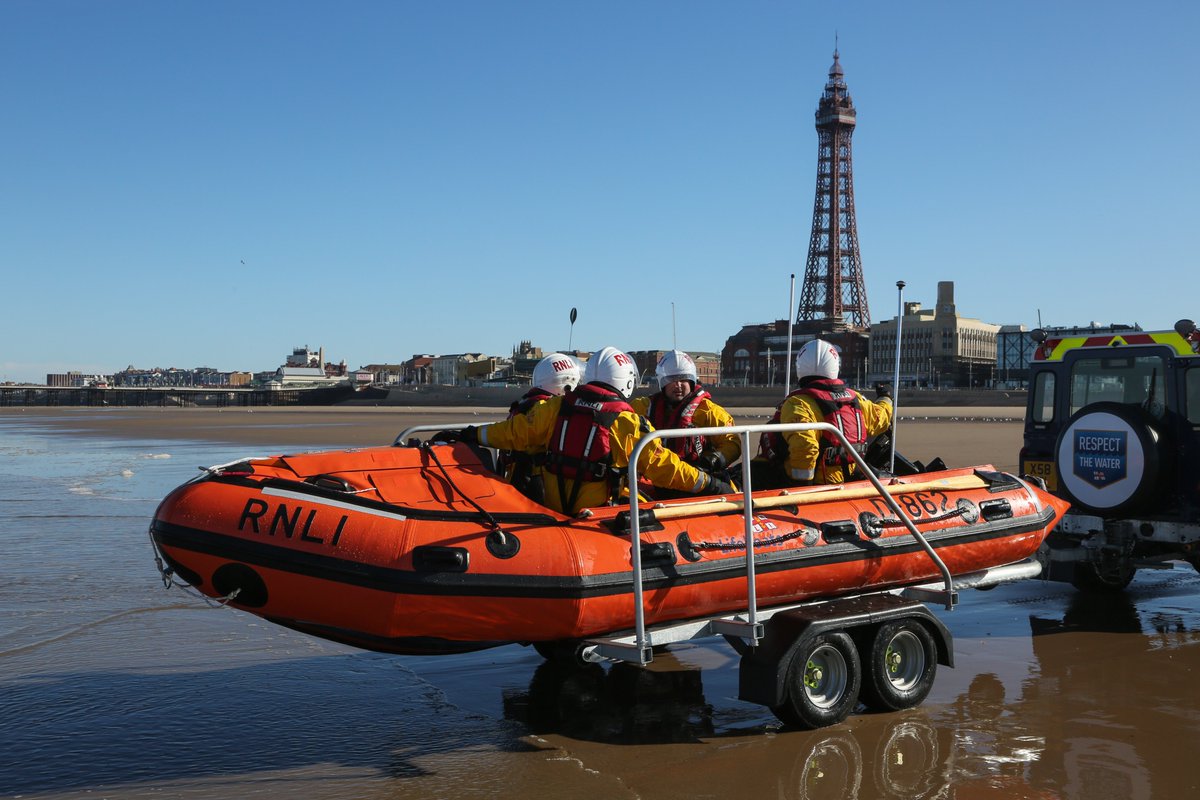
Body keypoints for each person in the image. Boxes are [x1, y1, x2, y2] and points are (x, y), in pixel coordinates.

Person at [454, 346, 735, 516]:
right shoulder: (625, 422)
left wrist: (471, 434)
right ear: (626, 380)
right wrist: (707, 483)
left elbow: (513, 433)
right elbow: (664, 466)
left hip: (555, 505)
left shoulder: (555, 407)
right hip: (602, 512)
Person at [753, 339, 894, 488]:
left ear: (800, 367)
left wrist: (802, 486)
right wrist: (886, 397)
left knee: (754, 471)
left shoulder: (798, 403)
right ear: (835, 366)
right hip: (849, 479)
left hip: (816, 485)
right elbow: (881, 417)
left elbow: (805, 446)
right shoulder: (855, 399)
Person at [630, 349, 741, 478]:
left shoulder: (709, 411)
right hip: (656, 476)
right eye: (671, 379)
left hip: (696, 475)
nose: (678, 385)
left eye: (683, 379)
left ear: (692, 381)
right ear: (662, 383)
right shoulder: (643, 407)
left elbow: (732, 443)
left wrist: (713, 460)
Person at [497, 352, 581, 502]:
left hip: (515, 477)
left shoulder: (526, 403)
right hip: (534, 484)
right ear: (566, 383)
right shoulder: (545, 409)